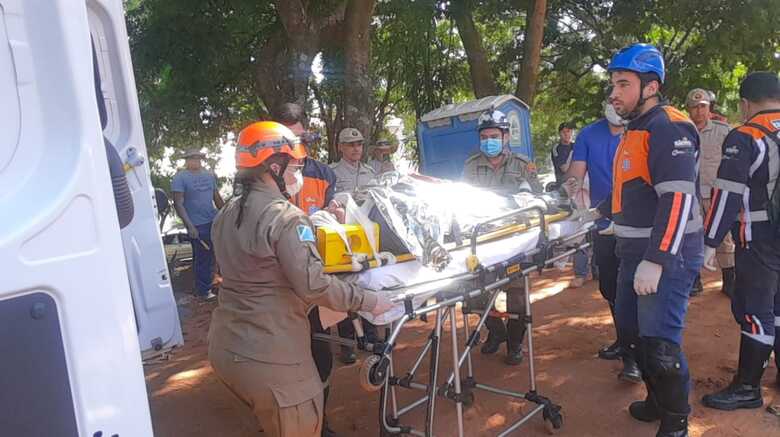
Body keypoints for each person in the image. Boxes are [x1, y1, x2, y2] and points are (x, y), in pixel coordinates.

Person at [208, 121, 393, 437]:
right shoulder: (285, 217)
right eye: (295, 167)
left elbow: (253, 271)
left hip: (227, 348)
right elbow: (315, 286)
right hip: (272, 357)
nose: (299, 174)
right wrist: (370, 301)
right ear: (274, 167)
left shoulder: (226, 213)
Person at [595, 43, 703, 437]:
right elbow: (632, 189)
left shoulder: (668, 127)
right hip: (632, 252)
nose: (614, 93)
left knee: (660, 342)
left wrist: (657, 259)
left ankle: (676, 423)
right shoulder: (636, 129)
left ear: (651, 87)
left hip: (667, 255)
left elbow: (677, 198)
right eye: (613, 84)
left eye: (623, 84)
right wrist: (593, 212)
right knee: (632, 332)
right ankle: (657, 401)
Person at [700, 72, 780, 410]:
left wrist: (710, 242)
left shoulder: (746, 135)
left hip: (758, 238)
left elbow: (726, 195)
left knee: (754, 310)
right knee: (778, 307)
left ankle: (748, 388)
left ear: (745, 103)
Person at [564, 102, 641, 383]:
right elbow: (576, 173)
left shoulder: (641, 130)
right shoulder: (589, 134)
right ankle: (623, 339)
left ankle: (634, 358)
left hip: (638, 224)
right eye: (611, 97)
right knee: (610, 287)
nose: (615, 103)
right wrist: (568, 188)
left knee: (633, 288)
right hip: (602, 222)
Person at [276, 103, 340, 437]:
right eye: (285, 139)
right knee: (283, 362)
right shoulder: (263, 177)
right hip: (277, 289)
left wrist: (335, 217)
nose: (293, 147)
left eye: (298, 138)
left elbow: (333, 225)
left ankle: (320, 422)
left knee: (320, 354)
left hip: (315, 282)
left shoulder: (324, 174)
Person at [462, 108, 539, 366]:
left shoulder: (522, 164)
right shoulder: (471, 166)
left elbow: (536, 199)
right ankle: (496, 331)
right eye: (484, 137)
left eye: (494, 136)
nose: (489, 141)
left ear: (505, 136)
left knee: (517, 295)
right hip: (483, 240)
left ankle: (515, 343)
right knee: (474, 292)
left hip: (515, 239)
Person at [685, 88, 734, 297]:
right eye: (694, 107)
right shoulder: (681, 130)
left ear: (709, 108)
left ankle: (729, 281)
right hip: (691, 195)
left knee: (724, 237)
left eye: (703, 107)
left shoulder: (724, 131)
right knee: (691, 237)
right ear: (688, 109)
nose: (699, 111)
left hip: (717, 195)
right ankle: (694, 280)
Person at [172, 149, 224, 300]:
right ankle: (203, 291)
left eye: (197, 158)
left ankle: (215, 283)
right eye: (191, 158)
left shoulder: (209, 176)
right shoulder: (180, 178)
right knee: (203, 257)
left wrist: (226, 214)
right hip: (197, 224)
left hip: (213, 221)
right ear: (186, 160)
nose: (195, 160)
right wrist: (189, 226)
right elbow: (178, 203)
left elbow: (216, 197)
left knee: (217, 254)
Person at [331, 127, 376, 194]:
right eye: (351, 145)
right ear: (340, 147)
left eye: (359, 145)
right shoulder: (331, 172)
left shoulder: (370, 172)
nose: (356, 149)